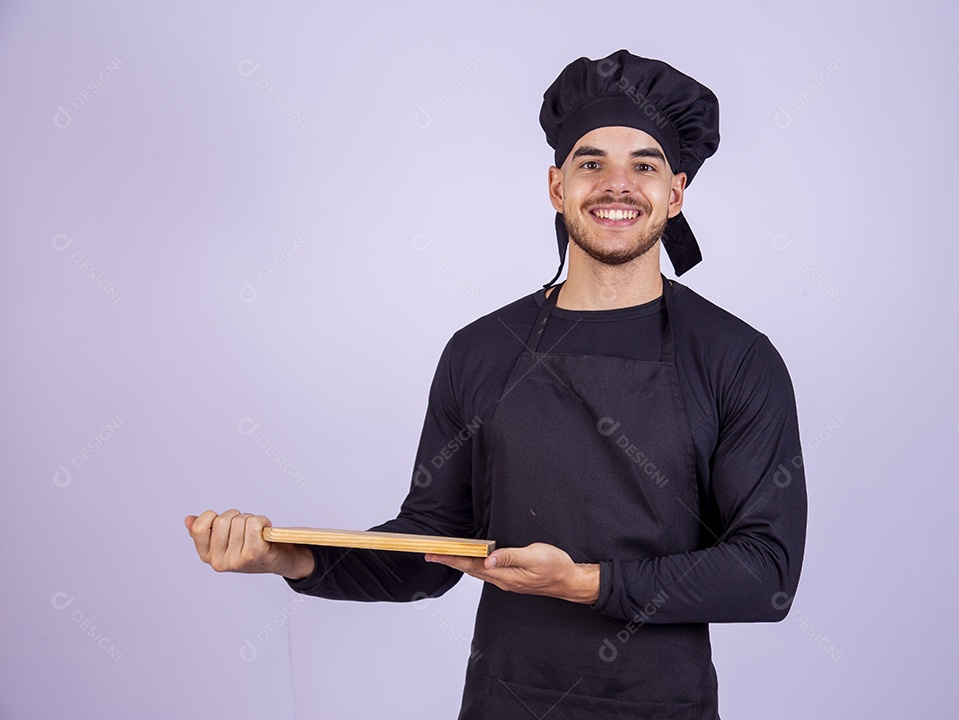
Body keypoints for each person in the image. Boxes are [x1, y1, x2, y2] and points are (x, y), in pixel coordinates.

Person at [186, 49, 808, 719]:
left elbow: (765, 573)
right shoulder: (481, 351)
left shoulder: (736, 358)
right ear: (556, 187)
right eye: (591, 163)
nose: (617, 185)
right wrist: (288, 558)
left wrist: (584, 583)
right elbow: (428, 549)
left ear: (675, 193)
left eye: (644, 166)